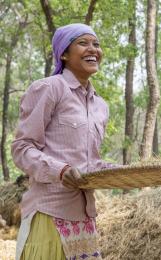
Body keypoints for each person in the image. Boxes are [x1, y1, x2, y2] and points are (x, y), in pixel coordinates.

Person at [12, 23, 114, 260]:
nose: (93, 49)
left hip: (85, 218)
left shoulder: (100, 106)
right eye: (83, 43)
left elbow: (90, 163)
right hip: (50, 211)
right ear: (64, 54)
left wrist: (124, 173)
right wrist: (60, 171)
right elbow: (21, 148)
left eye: (96, 44)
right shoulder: (50, 88)